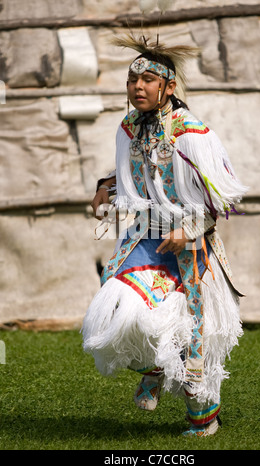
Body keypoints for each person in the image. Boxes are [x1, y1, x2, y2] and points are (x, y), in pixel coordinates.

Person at [82, 35, 247, 437]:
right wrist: (108, 186)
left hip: (189, 248)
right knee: (115, 315)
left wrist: (188, 228)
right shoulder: (128, 127)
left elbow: (222, 197)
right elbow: (136, 176)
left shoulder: (191, 133)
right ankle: (154, 369)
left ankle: (203, 420)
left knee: (194, 333)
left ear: (168, 87)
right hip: (141, 239)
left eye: (149, 80)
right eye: (132, 81)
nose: (138, 87)